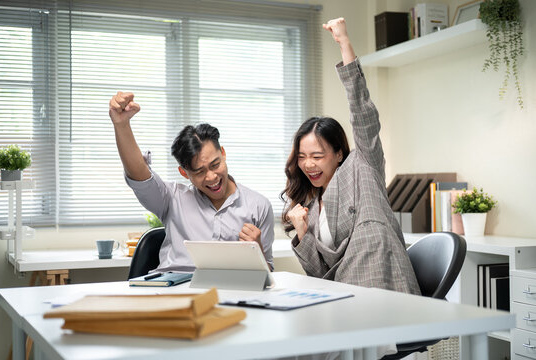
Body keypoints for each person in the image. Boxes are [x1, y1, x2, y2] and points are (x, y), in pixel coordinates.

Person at [282, 18, 420, 296]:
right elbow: (319, 274)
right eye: (302, 157)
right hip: (344, 297)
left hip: (385, 290)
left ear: (339, 153)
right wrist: (301, 231)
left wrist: (344, 43)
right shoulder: (309, 204)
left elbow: (363, 113)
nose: (308, 164)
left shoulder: (362, 166)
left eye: (317, 155)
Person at [109, 93, 274, 272]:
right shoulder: (172, 199)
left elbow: (267, 276)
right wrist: (121, 124)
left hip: (229, 293)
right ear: (184, 173)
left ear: (223, 153)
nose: (211, 177)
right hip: (174, 290)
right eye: (199, 171)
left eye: (215, 164)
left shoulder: (258, 206)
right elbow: (139, 175)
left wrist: (257, 252)